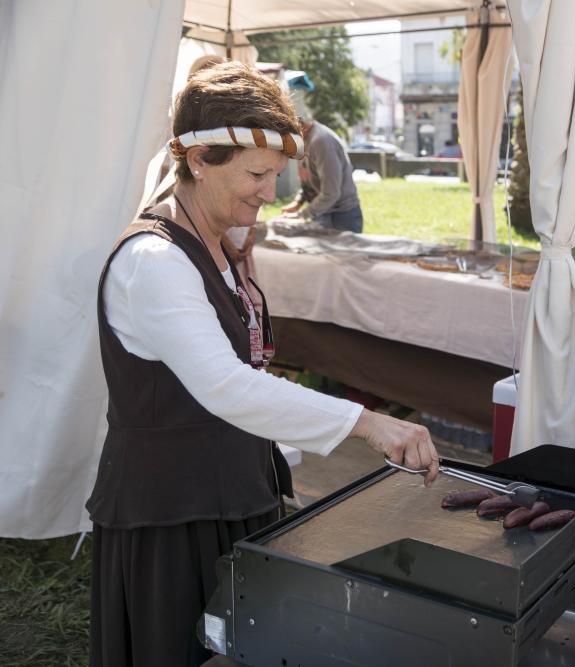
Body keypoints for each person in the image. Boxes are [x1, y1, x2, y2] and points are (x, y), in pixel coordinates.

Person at [87, 62, 439, 667]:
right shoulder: (156, 261)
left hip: (229, 493)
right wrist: (370, 422)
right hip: (173, 513)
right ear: (198, 160)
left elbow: (242, 367)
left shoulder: (215, 245)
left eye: (276, 175)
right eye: (256, 174)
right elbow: (226, 385)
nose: (269, 193)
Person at [281, 113, 363, 232]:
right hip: (326, 211)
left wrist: (302, 215)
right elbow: (311, 180)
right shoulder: (306, 139)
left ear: (301, 128)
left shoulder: (321, 142)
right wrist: (298, 202)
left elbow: (331, 193)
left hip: (342, 216)